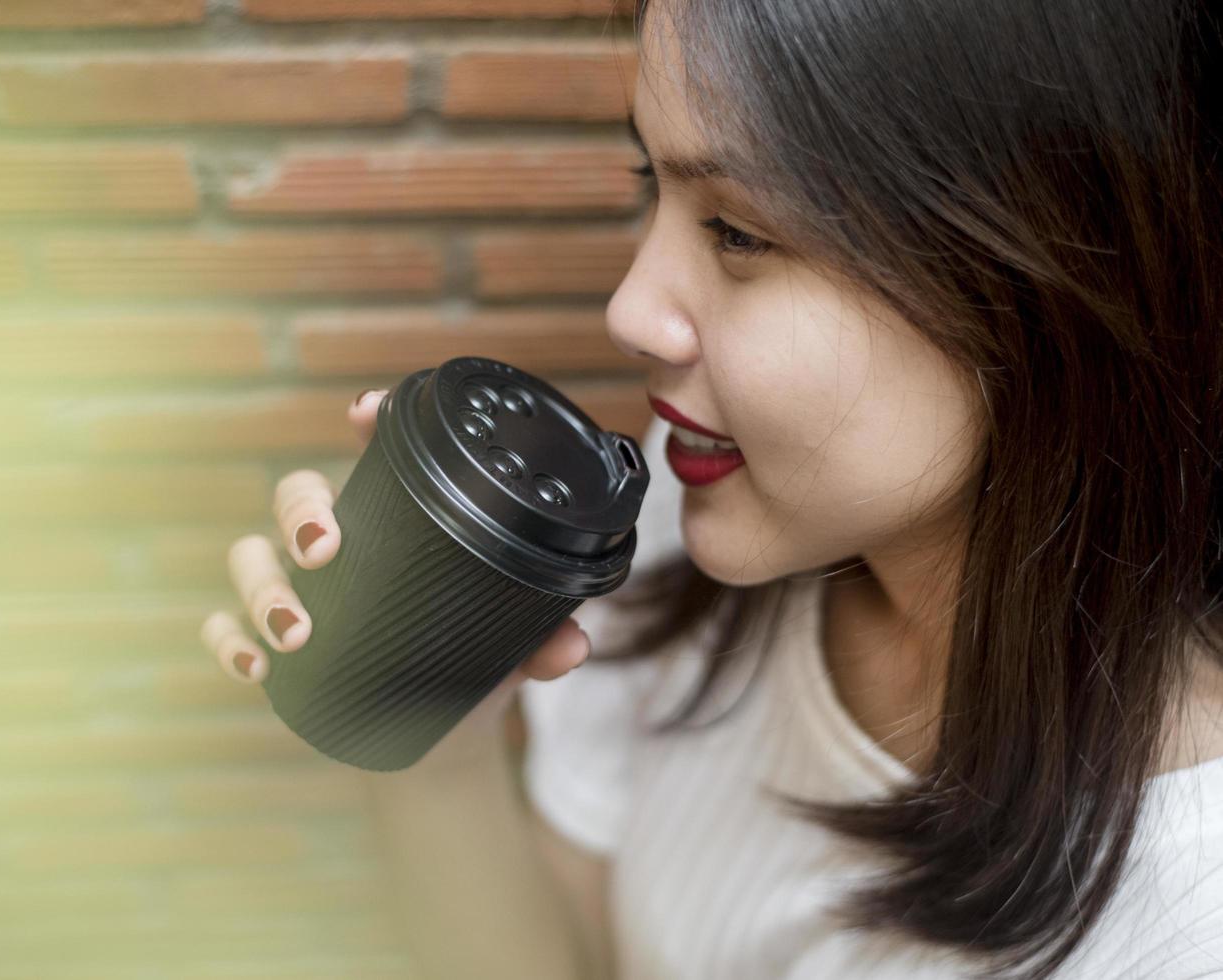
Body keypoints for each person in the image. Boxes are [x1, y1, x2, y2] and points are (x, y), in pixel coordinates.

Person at [200, 0, 1223, 976]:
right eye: (654, 182)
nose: (631, 308)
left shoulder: (1186, 929)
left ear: (1049, 278)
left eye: (739, 230)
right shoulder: (695, 496)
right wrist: (431, 714)